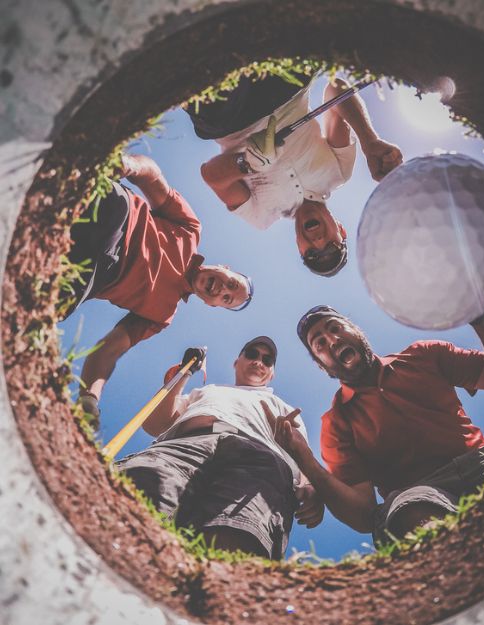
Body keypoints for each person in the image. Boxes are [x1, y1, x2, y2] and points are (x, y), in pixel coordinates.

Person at [265, 305, 484, 545]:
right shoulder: (337, 422)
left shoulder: (425, 355)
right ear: (324, 368)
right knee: (407, 512)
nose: (332, 340)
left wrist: (479, 316)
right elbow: (364, 516)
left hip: (482, 462)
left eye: (335, 328)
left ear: (357, 332)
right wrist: (305, 458)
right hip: (420, 493)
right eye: (319, 343)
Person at [67, 154, 253, 421]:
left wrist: (89, 398)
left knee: (54, 304)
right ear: (224, 267)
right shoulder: (190, 230)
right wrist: (127, 164)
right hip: (117, 215)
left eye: (226, 298)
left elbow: (109, 349)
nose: (222, 289)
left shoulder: (161, 316)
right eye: (231, 283)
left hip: (94, 274)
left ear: (211, 305)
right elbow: (153, 178)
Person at [117, 337, 324, 559]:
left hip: (260, 460)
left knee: (239, 533)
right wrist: (185, 373)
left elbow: (300, 452)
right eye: (252, 354)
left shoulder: (285, 408)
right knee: (138, 490)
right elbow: (154, 424)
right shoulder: (206, 390)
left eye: (267, 359)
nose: (259, 361)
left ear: (271, 373)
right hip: (187, 444)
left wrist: (311, 484)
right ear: (237, 362)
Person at [194, 74, 403, 276]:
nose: (319, 242)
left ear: (299, 247)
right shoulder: (340, 172)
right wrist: (370, 142)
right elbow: (335, 89)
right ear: (341, 230)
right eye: (331, 247)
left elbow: (211, 175)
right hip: (287, 90)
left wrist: (246, 163)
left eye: (312, 254)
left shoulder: (262, 216)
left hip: (230, 119)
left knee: (210, 106)